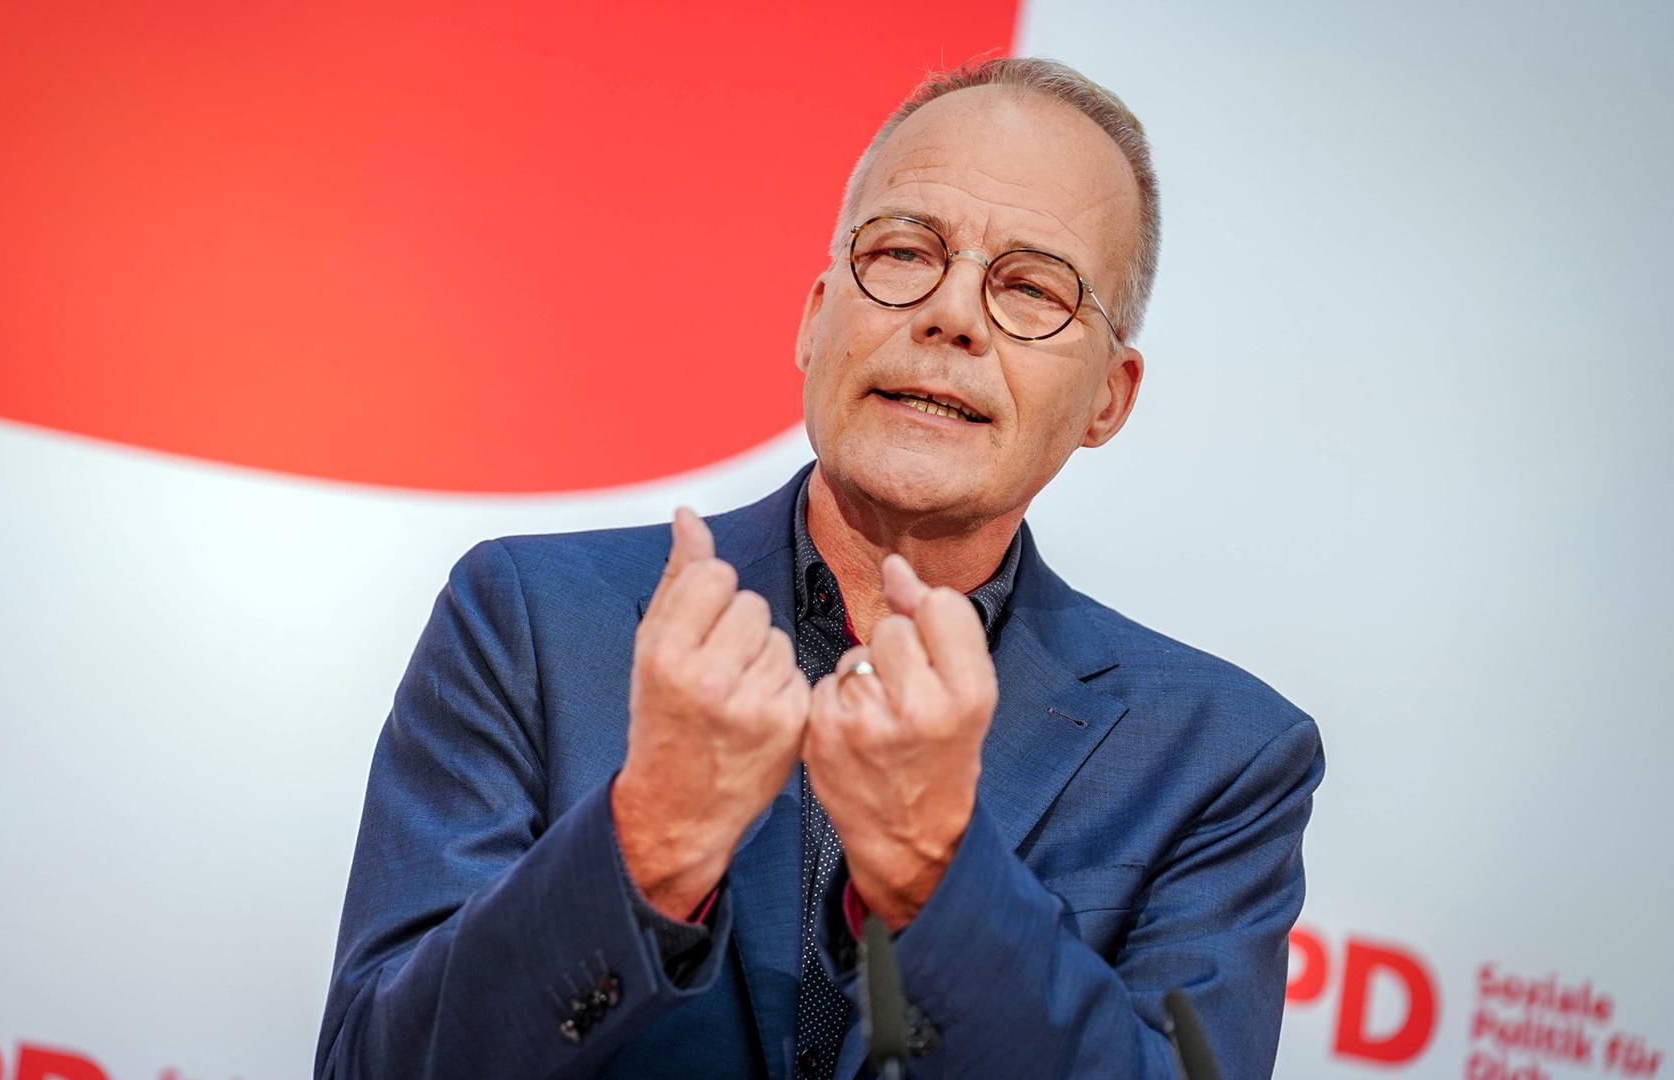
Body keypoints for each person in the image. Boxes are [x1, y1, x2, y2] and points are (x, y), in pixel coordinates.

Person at [315, 57, 1325, 1080]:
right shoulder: (529, 621)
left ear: (1110, 397)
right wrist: (650, 841)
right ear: (813, 319)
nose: (952, 316)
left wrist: (937, 872)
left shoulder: (1221, 758)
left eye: (1030, 288)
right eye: (902, 253)